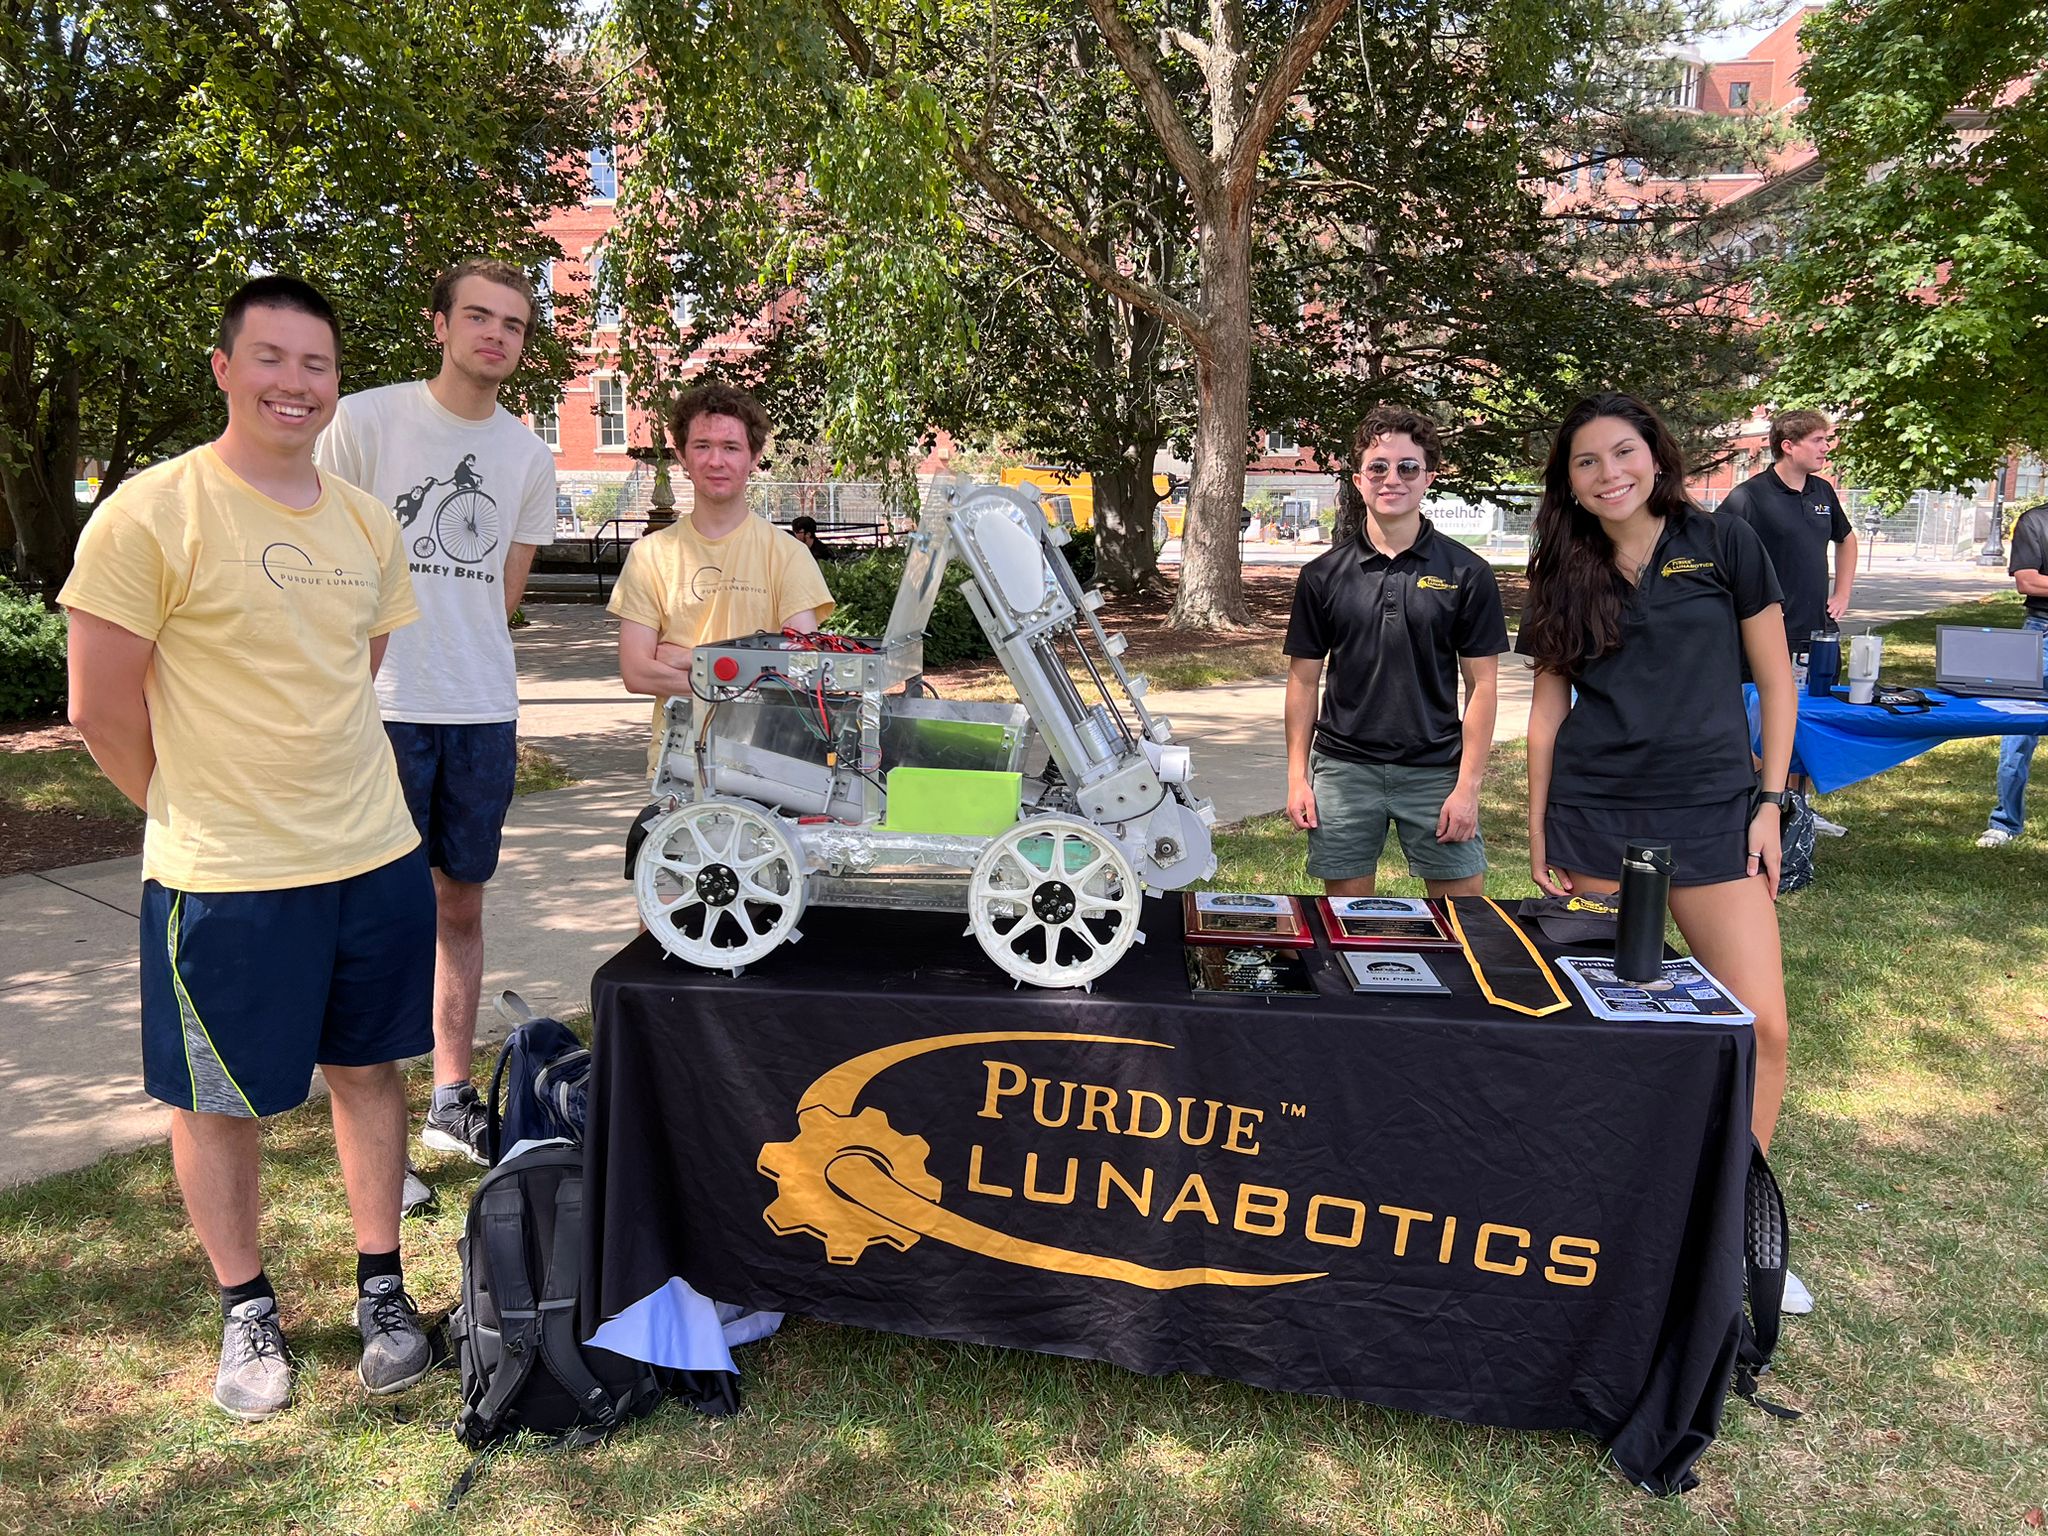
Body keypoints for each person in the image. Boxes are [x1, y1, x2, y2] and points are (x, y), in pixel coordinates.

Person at [61, 276, 437, 1419]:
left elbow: (352, 678)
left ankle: (384, 1286)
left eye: (316, 365)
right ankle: (247, 1306)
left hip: (372, 854)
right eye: (270, 358)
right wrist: (185, 806)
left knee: (369, 1072)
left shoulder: (365, 521)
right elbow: (97, 707)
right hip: (224, 876)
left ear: (334, 385)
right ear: (224, 368)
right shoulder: (150, 511)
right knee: (219, 1100)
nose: (295, 382)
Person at [315, 258, 557, 1167]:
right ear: (441, 325)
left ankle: (448, 1099)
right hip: (379, 706)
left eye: (515, 325)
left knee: (461, 905)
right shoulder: (366, 421)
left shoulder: (528, 457)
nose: (496, 335)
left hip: (481, 708)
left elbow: (500, 596)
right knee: (375, 915)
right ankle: (381, 1133)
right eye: (479, 317)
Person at [1519, 392, 1798, 1173]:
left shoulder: (1725, 542)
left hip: (1712, 811)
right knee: (1606, 1030)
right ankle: (1611, 1203)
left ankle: (1735, 1213)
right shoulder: (1560, 569)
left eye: (1623, 452)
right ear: (1568, 483)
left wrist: (1769, 805)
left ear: (1655, 455)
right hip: (1596, 814)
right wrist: (1540, 828)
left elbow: (1777, 685)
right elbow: (1546, 715)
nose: (1610, 472)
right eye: (1587, 461)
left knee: (1758, 1026)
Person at [1283, 404, 1509, 896]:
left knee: (1464, 920)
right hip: (1344, 770)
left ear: (1428, 476)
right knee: (1347, 924)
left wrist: (1467, 787)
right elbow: (1303, 681)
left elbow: (1483, 686)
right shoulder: (1322, 575)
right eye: (1378, 467)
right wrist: (1298, 778)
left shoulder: (1468, 572)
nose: (1393, 479)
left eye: (1408, 467)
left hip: (1435, 771)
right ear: (1359, 479)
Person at [608, 383, 834, 778]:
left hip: (771, 763)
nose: (716, 461)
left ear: (754, 457)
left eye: (731, 447)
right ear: (681, 456)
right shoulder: (650, 555)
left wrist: (690, 658)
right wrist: (747, 672)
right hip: (677, 764)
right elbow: (637, 672)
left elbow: (799, 672)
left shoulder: (787, 555)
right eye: (702, 446)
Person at [1718, 410, 1856, 830]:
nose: (1825, 448)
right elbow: (1717, 548)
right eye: (1817, 440)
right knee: (1755, 722)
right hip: (1762, 633)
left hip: (1815, 631)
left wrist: (1842, 594)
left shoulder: (1822, 492)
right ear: (1788, 446)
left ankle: (1800, 811)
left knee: (1807, 718)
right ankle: (1755, 802)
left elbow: (1846, 539)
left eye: (1826, 440)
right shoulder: (1749, 497)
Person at [1976, 500, 2048, 847]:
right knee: (2018, 731)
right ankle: (2005, 823)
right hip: (2041, 636)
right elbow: (2028, 582)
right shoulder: (2036, 521)